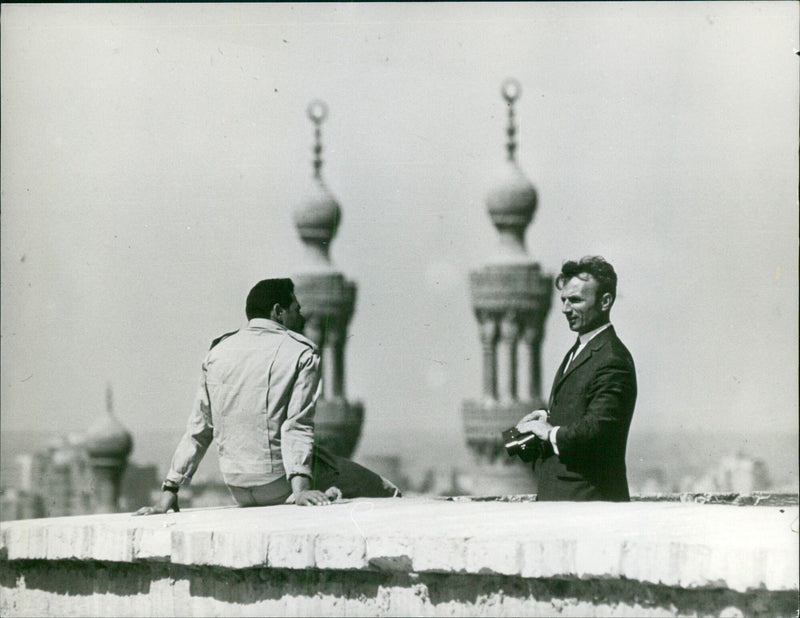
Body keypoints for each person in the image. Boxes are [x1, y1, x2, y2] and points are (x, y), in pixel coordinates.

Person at [136, 278, 400, 515]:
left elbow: (199, 430)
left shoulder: (217, 353)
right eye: (296, 309)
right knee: (385, 492)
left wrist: (169, 492)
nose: (302, 317)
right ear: (278, 312)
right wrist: (300, 490)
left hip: (238, 486)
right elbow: (297, 425)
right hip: (279, 484)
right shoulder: (301, 353)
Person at [516, 256, 637, 501]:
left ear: (605, 301)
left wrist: (549, 433)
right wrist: (548, 418)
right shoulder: (581, 350)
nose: (565, 309)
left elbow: (599, 429)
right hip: (565, 499)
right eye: (563, 300)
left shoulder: (612, 358)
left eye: (575, 300)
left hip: (588, 502)